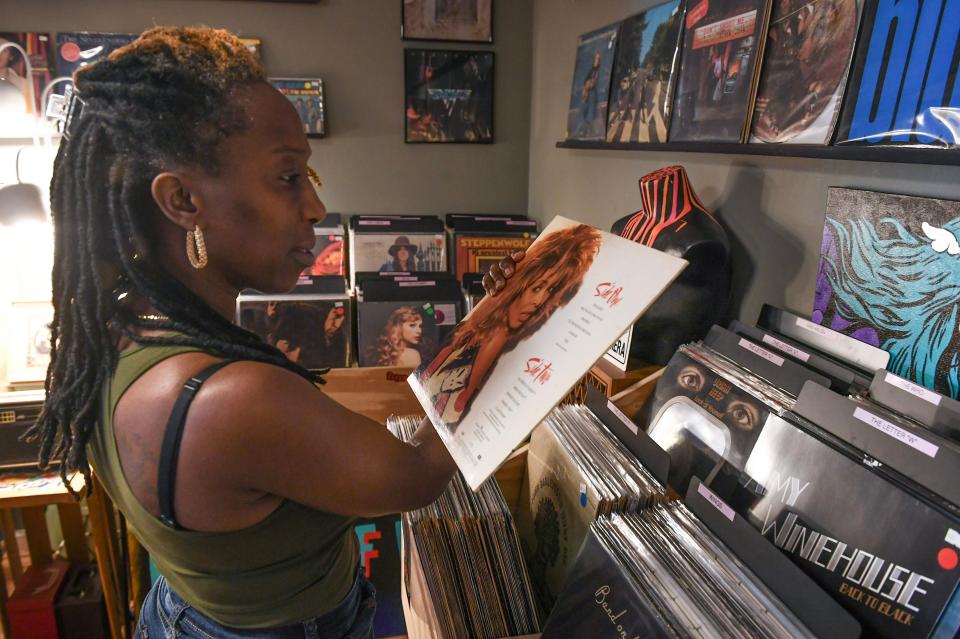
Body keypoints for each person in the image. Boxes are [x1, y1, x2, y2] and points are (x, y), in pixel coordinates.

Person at [26, 27, 518, 639]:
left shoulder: (121, 327)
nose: (314, 206)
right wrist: (519, 331)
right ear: (182, 200)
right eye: (288, 177)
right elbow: (416, 476)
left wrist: (489, 313)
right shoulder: (231, 399)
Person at [418, 224, 601, 430]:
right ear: (519, 282)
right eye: (537, 287)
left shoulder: (514, 345)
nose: (540, 301)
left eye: (550, 290)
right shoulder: (468, 334)